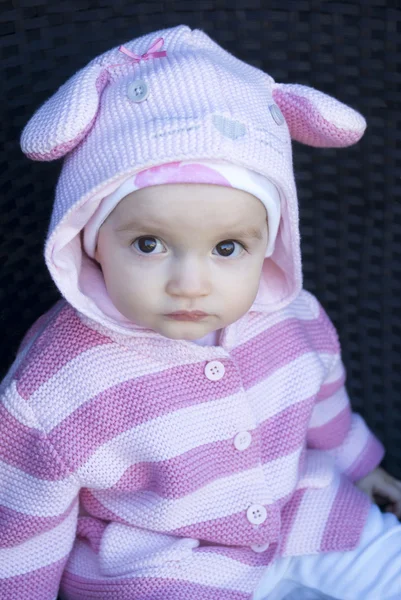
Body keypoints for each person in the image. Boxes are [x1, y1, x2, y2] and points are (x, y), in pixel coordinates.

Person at [0, 23, 400, 600]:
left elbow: (323, 403)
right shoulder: (55, 388)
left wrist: (363, 468)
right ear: (90, 239)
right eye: (148, 245)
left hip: (301, 514)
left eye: (227, 249)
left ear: (268, 244)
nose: (190, 284)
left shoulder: (293, 318)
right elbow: (22, 531)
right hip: (160, 565)